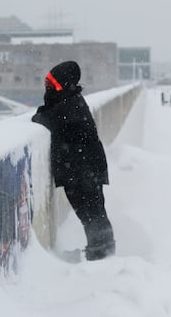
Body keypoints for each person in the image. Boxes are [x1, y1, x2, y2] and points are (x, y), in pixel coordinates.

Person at [31, 61, 116, 260]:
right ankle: (101, 251)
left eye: (52, 83)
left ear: (64, 84)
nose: (48, 87)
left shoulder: (71, 105)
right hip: (81, 168)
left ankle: (102, 253)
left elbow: (43, 118)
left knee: (92, 213)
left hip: (84, 170)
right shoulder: (70, 101)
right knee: (91, 213)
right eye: (47, 82)